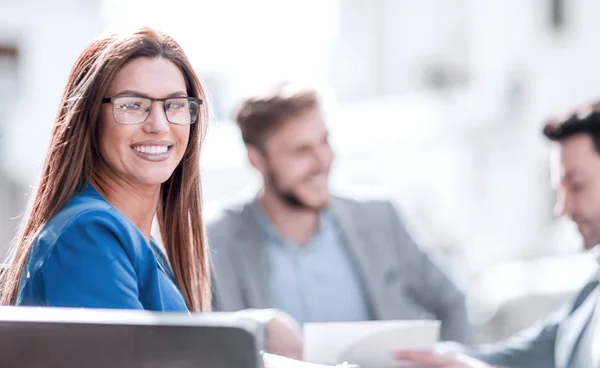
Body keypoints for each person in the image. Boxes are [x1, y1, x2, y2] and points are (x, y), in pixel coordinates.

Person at [0, 27, 335, 368]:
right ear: (89, 119)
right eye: (132, 105)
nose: (159, 125)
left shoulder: (139, 244)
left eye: (175, 104)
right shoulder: (90, 233)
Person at [207, 84, 470, 345]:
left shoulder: (379, 219)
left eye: (324, 141)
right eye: (301, 150)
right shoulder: (214, 241)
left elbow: (451, 303)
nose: (323, 161)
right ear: (257, 160)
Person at [396, 102, 600, 367]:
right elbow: (527, 354)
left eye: (576, 185)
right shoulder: (591, 292)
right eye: (558, 190)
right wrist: (432, 357)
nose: (562, 208)